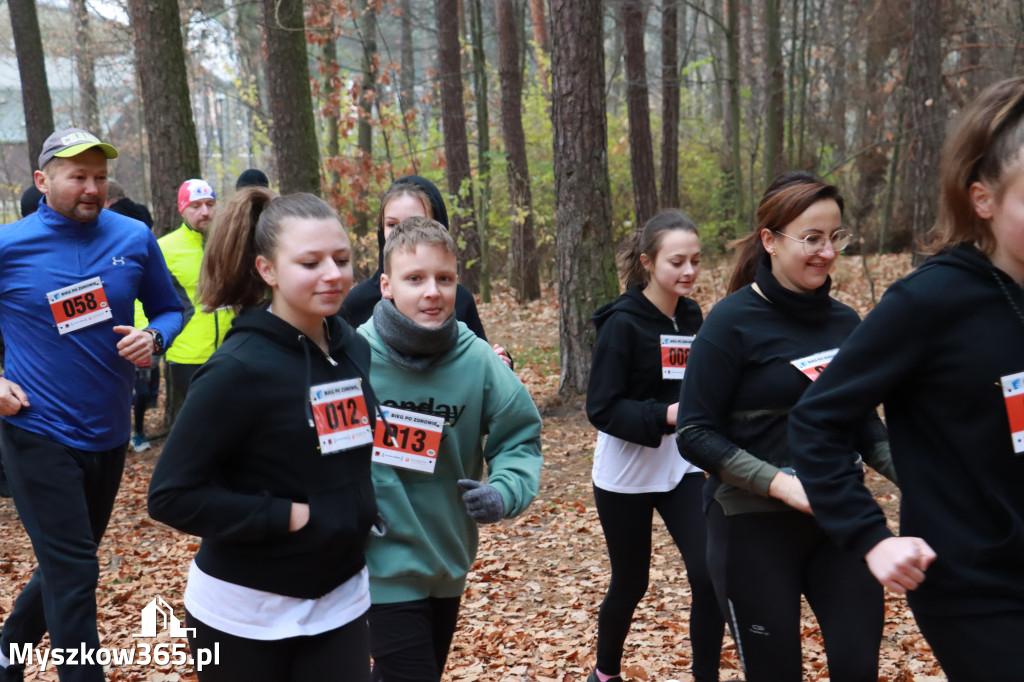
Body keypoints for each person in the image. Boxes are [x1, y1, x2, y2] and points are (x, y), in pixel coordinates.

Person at [789, 77, 1024, 682]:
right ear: (984, 200)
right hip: (974, 584)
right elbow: (817, 420)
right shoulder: (931, 301)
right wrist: (872, 537)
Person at [148, 188, 377, 681]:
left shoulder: (354, 348)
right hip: (244, 615)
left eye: (341, 258)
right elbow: (171, 495)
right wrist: (289, 516)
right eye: (310, 262)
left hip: (341, 598)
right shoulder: (237, 370)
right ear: (267, 270)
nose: (333, 274)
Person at [676, 172, 896, 682]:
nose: (826, 252)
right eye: (812, 238)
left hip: (841, 520)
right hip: (752, 528)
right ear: (770, 241)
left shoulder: (846, 323)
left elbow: (864, 424)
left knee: (859, 667)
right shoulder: (729, 323)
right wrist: (783, 484)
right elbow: (695, 433)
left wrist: (924, 481)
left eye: (835, 237)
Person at [0, 127, 183, 682]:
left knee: (65, 565)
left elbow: (173, 309)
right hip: (36, 429)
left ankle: (8, 650)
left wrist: (154, 340)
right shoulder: (9, 246)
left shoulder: (133, 236)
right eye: (77, 176)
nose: (91, 188)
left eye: (99, 178)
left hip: (107, 435)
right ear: (42, 180)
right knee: (76, 571)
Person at [358, 217, 543, 681]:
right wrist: (346, 503)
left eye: (444, 278)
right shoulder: (353, 357)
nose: (432, 292)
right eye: (415, 278)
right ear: (386, 285)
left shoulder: (477, 359)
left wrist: (504, 490)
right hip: (379, 560)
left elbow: (519, 436)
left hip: (448, 556)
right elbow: (315, 444)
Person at [584, 210, 723, 682]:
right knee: (631, 583)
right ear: (648, 262)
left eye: (696, 261)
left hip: (680, 466)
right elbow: (601, 409)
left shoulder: (691, 315)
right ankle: (605, 674)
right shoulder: (621, 326)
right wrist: (664, 415)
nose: (688, 272)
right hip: (625, 475)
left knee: (709, 575)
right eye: (677, 261)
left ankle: (706, 674)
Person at [160, 179, 234, 429]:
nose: (205, 212)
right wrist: (150, 337)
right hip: (187, 355)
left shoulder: (228, 243)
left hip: (231, 349)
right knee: (204, 422)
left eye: (210, 204)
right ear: (182, 209)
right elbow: (144, 297)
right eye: (196, 206)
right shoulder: (164, 248)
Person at [105, 181, 161, 451]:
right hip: (143, 326)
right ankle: (137, 432)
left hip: (125, 323)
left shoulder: (120, 228)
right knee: (143, 382)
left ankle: (129, 431)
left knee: (131, 381)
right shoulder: (143, 218)